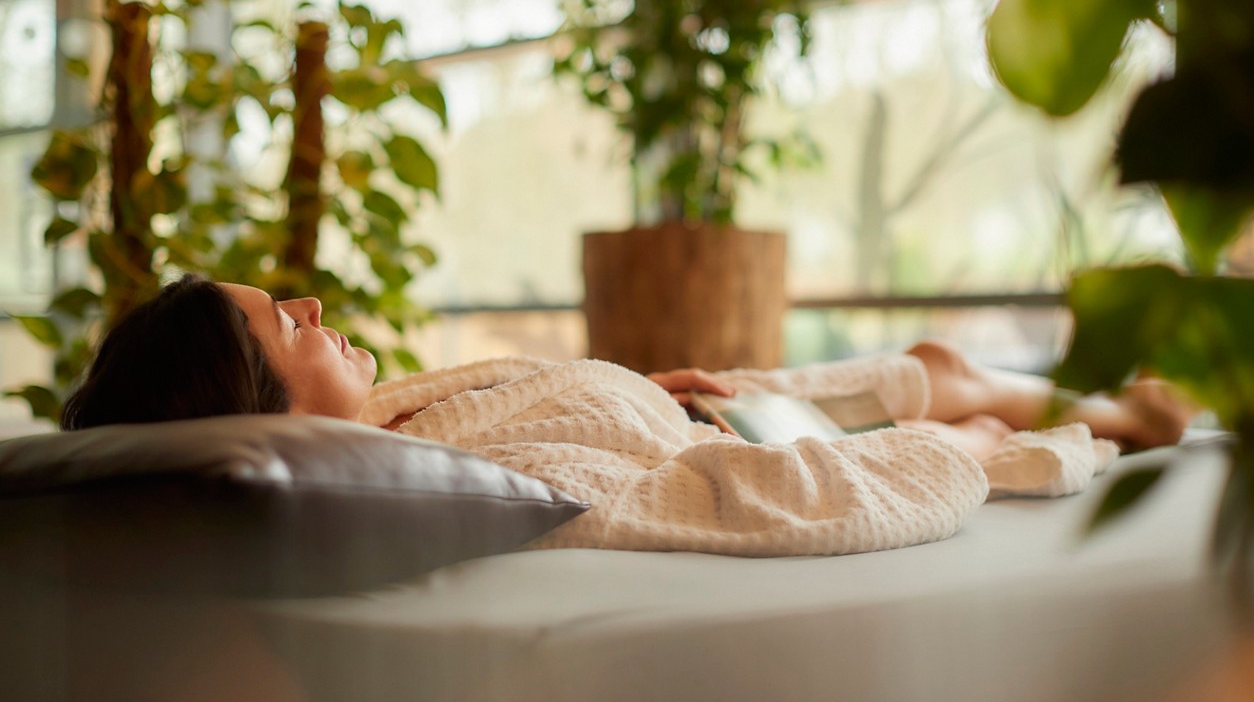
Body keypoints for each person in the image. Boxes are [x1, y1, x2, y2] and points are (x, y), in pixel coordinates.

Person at [62, 274, 1191, 458]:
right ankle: (1126, 414)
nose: (313, 302)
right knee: (935, 379)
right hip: (723, 437)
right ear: (261, 409)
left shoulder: (382, 437)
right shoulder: (373, 471)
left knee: (932, 359)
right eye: (287, 326)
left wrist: (634, 389)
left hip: (686, 403)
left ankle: (1115, 403)